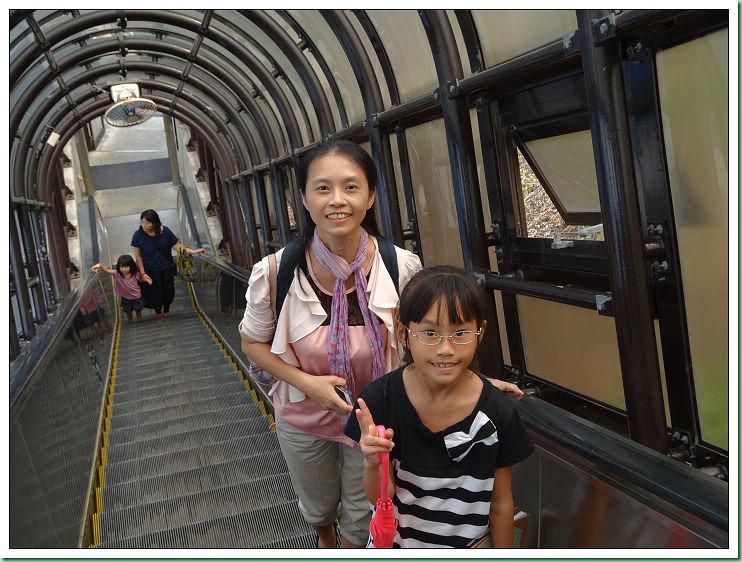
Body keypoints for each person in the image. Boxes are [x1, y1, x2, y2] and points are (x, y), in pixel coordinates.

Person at [240, 140, 521, 548]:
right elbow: (252, 344)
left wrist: (476, 386)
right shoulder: (276, 272)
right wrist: (309, 384)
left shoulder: (400, 267)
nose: (338, 200)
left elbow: (428, 336)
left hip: (379, 417)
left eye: (351, 187)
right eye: (322, 188)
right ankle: (323, 537)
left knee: (364, 515)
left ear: (370, 196)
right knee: (318, 506)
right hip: (305, 416)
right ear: (303, 197)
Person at [345, 265, 534, 548]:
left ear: (480, 332)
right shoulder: (380, 400)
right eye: (430, 333)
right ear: (403, 331)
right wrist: (373, 461)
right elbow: (379, 498)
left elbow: (501, 502)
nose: (445, 348)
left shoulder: (496, 413)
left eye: (460, 333)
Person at [131, 209, 206, 318]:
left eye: (147, 223)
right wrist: (142, 273)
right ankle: (157, 310)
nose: (144, 225)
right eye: (142, 222)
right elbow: (138, 256)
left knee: (168, 290)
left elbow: (177, 247)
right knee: (153, 292)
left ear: (155, 223)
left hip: (166, 268)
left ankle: (166, 308)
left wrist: (194, 251)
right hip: (149, 270)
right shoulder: (138, 235)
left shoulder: (165, 232)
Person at [91, 254, 152, 322]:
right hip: (125, 297)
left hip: (136, 296)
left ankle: (139, 321)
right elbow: (108, 271)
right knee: (128, 311)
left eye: (126, 267)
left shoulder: (135, 274)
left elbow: (138, 280)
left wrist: (145, 280)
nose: (123, 269)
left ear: (131, 266)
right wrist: (100, 265)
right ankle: (130, 322)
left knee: (138, 310)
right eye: (121, 267)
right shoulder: (117, 274)